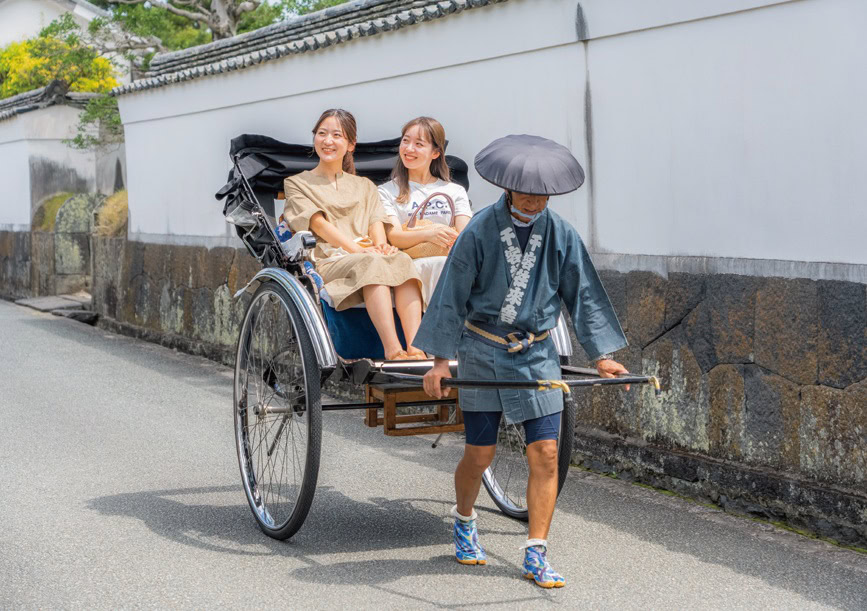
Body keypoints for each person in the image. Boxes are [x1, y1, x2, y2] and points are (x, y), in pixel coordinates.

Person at [416, 135, 631, 588]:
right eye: (527, 193)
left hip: (536, 352)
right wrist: (439, 360)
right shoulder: (477, 231)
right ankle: (464, 518)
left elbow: (584, 294)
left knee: (547, 454)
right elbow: (451, 296)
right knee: (480, 453)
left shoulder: (561, 235)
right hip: (482, 347)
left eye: (543, 194)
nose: (535, 201)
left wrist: (605, 356)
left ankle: (537, 550)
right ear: (508, 187)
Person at [283, 109, 426, 361]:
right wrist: (357, 249)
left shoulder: (365, 185)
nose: (328, 141)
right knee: (371, 262)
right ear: (314, 137)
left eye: (337, 135)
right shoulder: (296, 183)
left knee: (402, 261)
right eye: (322, 134)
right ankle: (393, 350)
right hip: (331, 258)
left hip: (367, 254)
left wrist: (382, 246)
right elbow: (317, 223)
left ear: (350, 144)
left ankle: (415, 348)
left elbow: (375, 221)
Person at [378, 117, 473, 306]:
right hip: (410, 267)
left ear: (436, 152)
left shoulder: (454, 191)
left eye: (419, 144)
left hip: (449, 263)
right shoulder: (386, 191)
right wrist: (430, 234)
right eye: (405, 141)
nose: (409, 149)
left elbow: (464, 236)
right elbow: (395, 236)